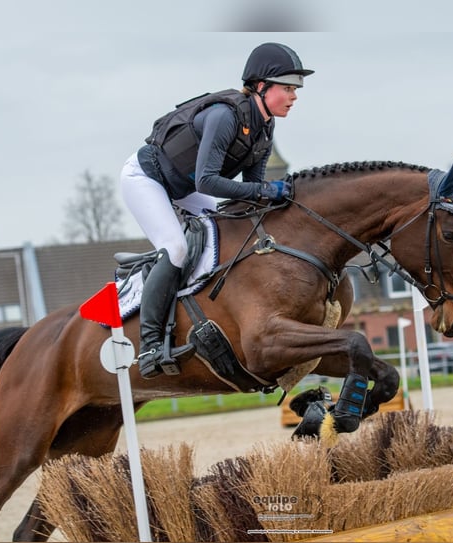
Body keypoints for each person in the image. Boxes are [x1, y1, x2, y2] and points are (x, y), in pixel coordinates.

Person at [121, 42, 314, 378]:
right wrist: (267, 189)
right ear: (261, 87)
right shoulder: (226, 116)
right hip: (147, 178)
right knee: (176, 247)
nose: (294, 96)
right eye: (287, 88)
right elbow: (211, 181)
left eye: (295, 89)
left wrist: (283, 201)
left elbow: (251, 195)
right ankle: (150, 344)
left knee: (229, 229)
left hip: (186, 188)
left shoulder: (264, 129)